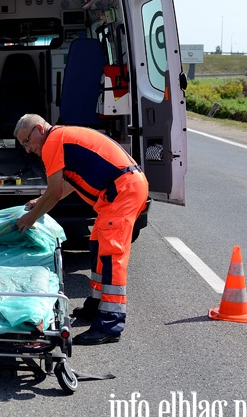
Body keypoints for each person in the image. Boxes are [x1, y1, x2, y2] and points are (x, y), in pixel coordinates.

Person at [13, 114, 148, 345]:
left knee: (110, 256)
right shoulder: (60, 138)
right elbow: (67, 184)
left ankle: (110, 323)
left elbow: (55, 192)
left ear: (38, 129)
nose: (27, 149)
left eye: (26, 141)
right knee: (97, 246)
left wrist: (31, 218)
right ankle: (95, 306)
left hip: (121, 192)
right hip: (117, 192)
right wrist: (39, 201)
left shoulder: (53, 142)